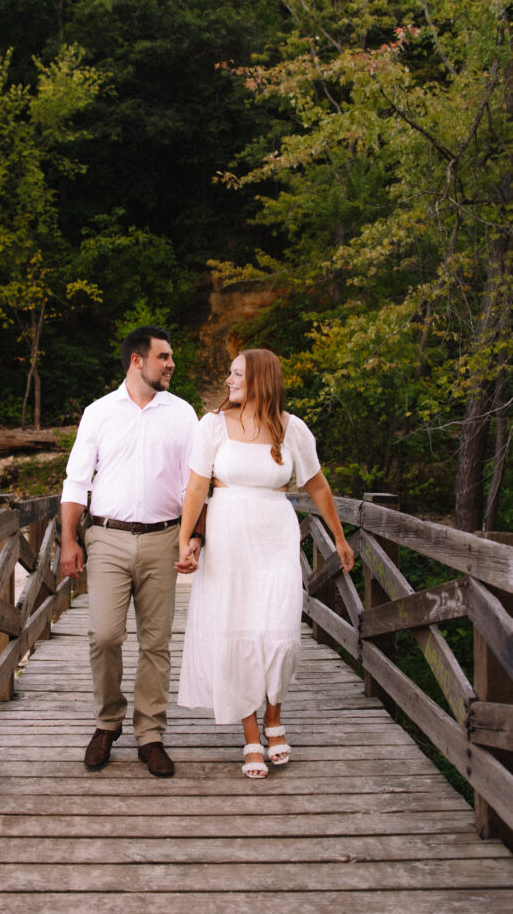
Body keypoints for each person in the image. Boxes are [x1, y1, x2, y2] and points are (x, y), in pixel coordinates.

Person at [175, 349, 354, 778]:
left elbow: (318, 485)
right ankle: (251, 733)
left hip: (275, 540)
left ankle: (275, 717)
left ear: (259, 380)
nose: (229, 379)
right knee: (236, 633)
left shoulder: (292, 429)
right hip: (229, 543)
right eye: (230, 372)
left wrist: (340, 537)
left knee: (280, 633)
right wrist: (186, 540)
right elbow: (197, 487)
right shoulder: (212, 426)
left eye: (237, 373)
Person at [60, 326, 200, 777]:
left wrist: (194, 536)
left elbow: (192, 485)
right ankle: (107, 723)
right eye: (164, 357)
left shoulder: (182, 414)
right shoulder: (99, 413)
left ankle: (151, 733)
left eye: (171, 357)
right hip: (106, 537)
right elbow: (77, 481)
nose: (171, 364)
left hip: (164, 537)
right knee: (104, 635)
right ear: (137, 361)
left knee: (156, 642)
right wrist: (68, 539)